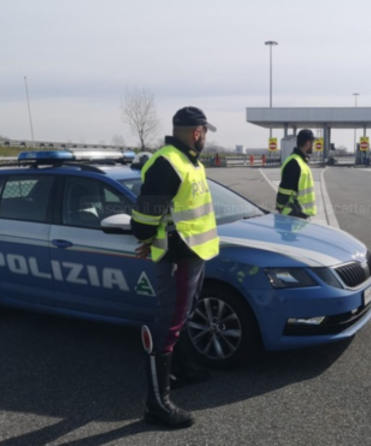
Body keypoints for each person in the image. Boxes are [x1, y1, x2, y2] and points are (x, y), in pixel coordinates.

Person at [131, 106, 220, 429]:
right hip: (177, 259)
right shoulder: (168, 163)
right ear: (197, 132)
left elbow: (173, 212)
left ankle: (184, 370)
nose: (206, 137)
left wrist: (152, 233)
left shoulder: (188, 161)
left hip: (193, 254)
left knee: (182, 315)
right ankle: (157, 403)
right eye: (205, 132)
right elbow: (144, 220)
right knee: (167, 324)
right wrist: (149, 236)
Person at [275, 129, 317, 219]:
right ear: (308, 143)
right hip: (292, 216)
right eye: (312, 143)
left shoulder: (301, 162)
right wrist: (280, 208)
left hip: (301, 214)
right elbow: (284, 191)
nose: (313, 146)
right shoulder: (294, 162)